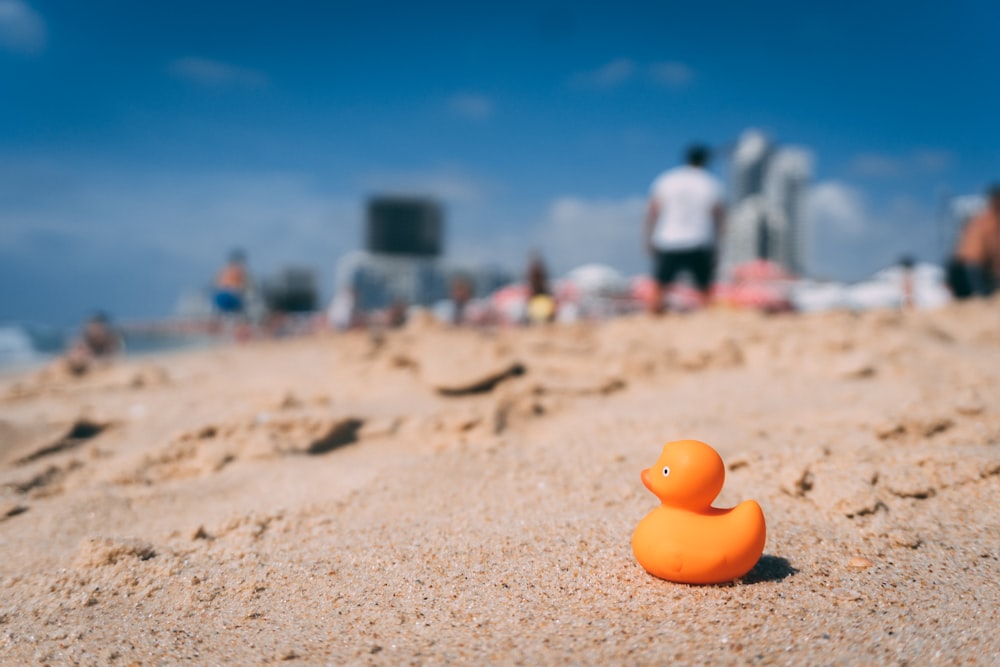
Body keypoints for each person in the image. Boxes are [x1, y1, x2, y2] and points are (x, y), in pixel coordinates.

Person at [643, 144, 726, 314]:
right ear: (705, 161)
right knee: (704, 287)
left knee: (660, 285)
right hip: (700, 239)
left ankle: (652, 318)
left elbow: (652, 212)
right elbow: (719, 217)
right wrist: (719, 245)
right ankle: (706, 321)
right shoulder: (710, 182)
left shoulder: (667, 179)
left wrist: (648, 239)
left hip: (668, 238)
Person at [953, 185, 1000, 297]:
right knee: (982, 296)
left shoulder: (982, 219)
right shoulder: (989, 221)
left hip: (966, 266)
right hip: (973, 267)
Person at [214, 249, 249, 315]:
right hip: (231, 297)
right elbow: (243, 287)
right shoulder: (240, 271)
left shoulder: (223, 269)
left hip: (219, 296)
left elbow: (216, 283)